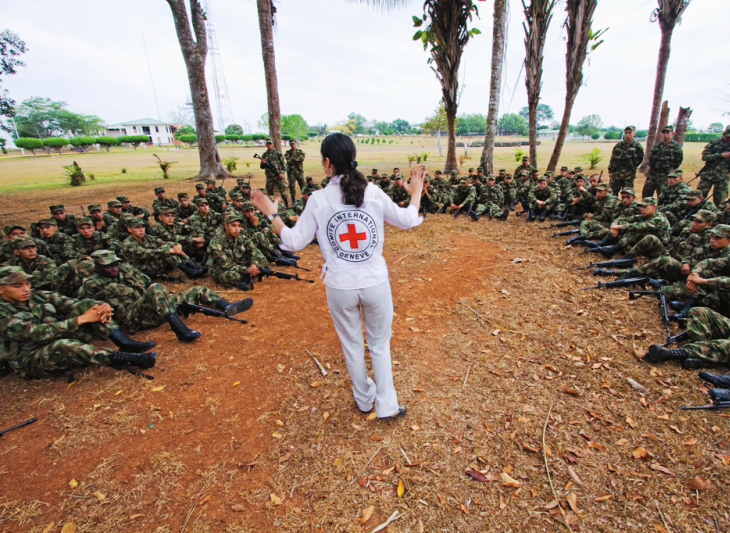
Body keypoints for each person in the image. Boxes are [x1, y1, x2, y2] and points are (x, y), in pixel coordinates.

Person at [249, 133, 424, 420]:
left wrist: (272, 214)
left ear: (327, 163)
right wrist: (415, 192)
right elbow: (407, 219)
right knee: (380, 345)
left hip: (340, 285)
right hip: (375, 282)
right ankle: (387, 406)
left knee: (352, 346)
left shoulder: (318, 199)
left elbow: (293, 241)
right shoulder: (373, 192)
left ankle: (365, 401)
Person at [0, 265, 157, 380]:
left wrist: (100, 306)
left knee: (88, 304)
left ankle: (125, 343)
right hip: (31, 359)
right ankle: (128, 358)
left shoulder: (36, 296)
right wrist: (82, 319)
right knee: (63, 345)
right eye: (17, 286)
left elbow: (72, 303)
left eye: (27, 283)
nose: (26, 289)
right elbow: (35, 332)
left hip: (55, 338)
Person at [78, 251, 252, 343]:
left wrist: (168, 299)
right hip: (135, 318)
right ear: (97, 268)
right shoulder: (92, 285)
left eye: (115, 264)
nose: (114, 268)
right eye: (108, 266)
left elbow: (146, 282)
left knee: (198, 290)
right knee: (156, 288)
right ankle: (180, 330)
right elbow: (93, 312)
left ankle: (226, 306)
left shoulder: (126, 270)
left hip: (154, 306)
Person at [698, 124, 730, 207]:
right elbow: (705, 157)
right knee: (699, 197)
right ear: (724, 134)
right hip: (708, 174)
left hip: (723, 177)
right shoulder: (714, 143)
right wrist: (720, 155)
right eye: (728, 136)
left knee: (720, 200)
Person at [643, 126, 683, 198]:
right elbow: (651, 158)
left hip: (665, 175)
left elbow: (678, 161)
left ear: (672, 133)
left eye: (667, 133)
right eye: (664, 133)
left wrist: (670, 171)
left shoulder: (676, 147)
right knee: (646, 193)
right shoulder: (657, 145)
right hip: (653, 174)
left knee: (662, 195)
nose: (665, 135)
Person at [608, 126, 645, 196]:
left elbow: (640, 158)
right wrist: (610, 170)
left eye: (629, 133)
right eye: (626, 133)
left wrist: (633, 166)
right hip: (616, 174)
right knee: (612, 193)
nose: (627, 135)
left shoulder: (637, 146)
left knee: (627, 194)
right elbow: (613, 158)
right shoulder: (618, 145)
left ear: (633, 133)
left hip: (628, 175)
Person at [261, 138, 289, 204]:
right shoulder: (264, 155)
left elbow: (283, 164)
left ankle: (286, 203)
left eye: (270, 143)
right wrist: (262, 163)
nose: (269, 145)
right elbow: (262, 167)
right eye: (268, 144)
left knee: (282, 190)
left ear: (272, 144)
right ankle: (271, 204)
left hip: (277, 175)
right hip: (269, 176)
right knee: (269, 191)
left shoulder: (278, 153)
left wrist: (282, 173)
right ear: (266, 145)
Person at [285, 139, 306, 203]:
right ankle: (293, 199)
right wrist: (297, 159)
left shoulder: (300, 151)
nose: (292, 145)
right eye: (291, 144)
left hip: (299, 171)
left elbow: (302, 158)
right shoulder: (288, 152)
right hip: (291, 172)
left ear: (295, 143)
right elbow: (289, 161)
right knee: (292, 186)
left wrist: (293, 159)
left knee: (302, 184)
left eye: (293, 144)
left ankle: (305, 196)